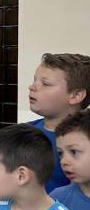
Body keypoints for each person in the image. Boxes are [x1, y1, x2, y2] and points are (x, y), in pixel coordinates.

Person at [28, 53, 90, 193]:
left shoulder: (86, 143)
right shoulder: (21, 132)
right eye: (34, 80)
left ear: (75, 96)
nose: (32, 87)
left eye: (45, 83)